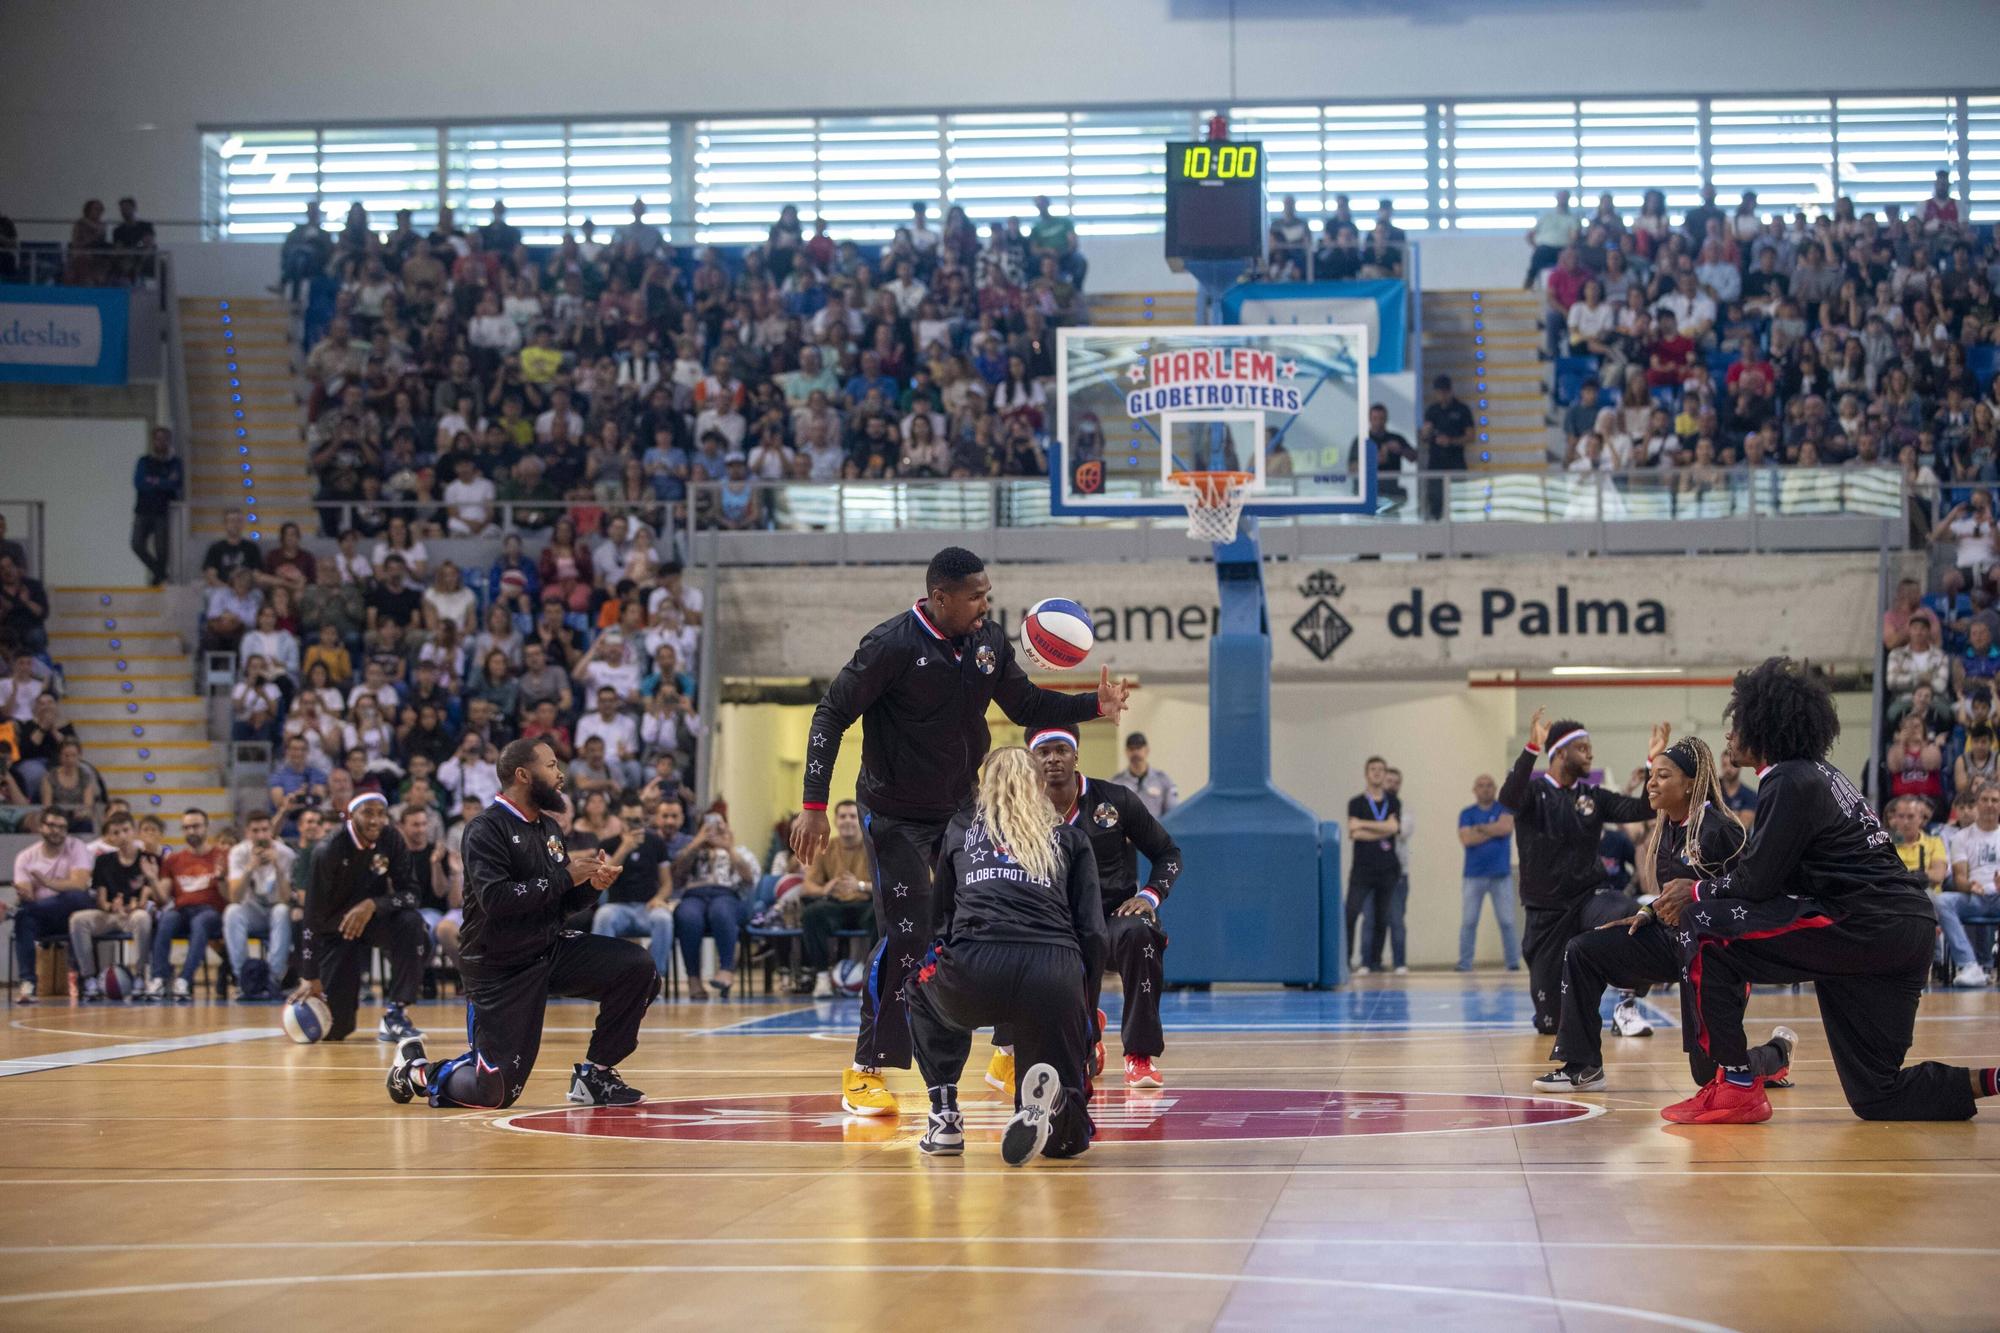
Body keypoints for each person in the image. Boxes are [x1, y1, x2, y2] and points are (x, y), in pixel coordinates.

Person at [788, 546, 1127, 1116]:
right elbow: (830, 714)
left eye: (987, 594)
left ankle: (1007, 1052)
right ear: (940, 597)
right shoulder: (890, 644)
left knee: (996, 916)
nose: (985, 604)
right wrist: (814, 804)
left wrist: (1093, 704)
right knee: (908, 932)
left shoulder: (988, 640)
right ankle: (866, 1068)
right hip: (894, 812)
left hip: (962, 807)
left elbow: (1024, 704)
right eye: (975, 596)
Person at [1650, 658, 2000, 1124]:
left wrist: (1695, 893)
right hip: (1904, 929)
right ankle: (1993, 1080)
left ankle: (1736, 1085)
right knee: (1879, 1095)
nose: (1729, 736)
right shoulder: (1820, 775)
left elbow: (1757, 882)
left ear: (1764, 726)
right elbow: (1774, 876)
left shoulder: (1789, 780)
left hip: (1861, 923)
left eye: (1737, 724)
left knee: (1707, 932)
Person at [385, 738, 652, 1110]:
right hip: (500, 966)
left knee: (637, 968)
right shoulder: (484, 829)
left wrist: (590, 887)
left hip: (548, 948)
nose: (561, 775)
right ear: (524, 775)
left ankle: (596, 1075)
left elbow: (557, 905)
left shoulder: (548, 829)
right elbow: (497, 900)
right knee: (493, 1092)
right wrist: (565, 877)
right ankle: (418, 1070)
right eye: (552, 766)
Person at [1535, 737, 1794, 1093]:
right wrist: (1645, 913)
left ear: (1689, 783)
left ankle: (1776, 1054)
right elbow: (1671, 896)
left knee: (1710, 1077)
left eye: (1662, 776)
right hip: (1669, 943)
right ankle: (1582, 1066)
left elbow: (1752, 894)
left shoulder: (1722, 831)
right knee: (1583, 951)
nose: (1651, 783)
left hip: (1716, 958)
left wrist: (1699, 901)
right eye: (1651, 775)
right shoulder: (1669, 829)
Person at [909, 748, 1104, 1164]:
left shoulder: (960, 829)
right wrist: (1084, 1007)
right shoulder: (1070, 838)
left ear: (984, 786)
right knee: (1067, 1145)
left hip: (977, 968)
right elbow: (1093, 932)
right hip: (1053, 972)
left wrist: (949, 965)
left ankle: (944, 1117)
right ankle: (1055, 1112)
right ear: (1039, 786)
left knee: (919, 987)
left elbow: (939, 920)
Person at [1008, 723, 1181, 1090]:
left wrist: (1149, 896)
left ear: (1076, 755)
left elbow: (1168, 853)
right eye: (1043, 752)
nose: (1053, 759)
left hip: (1113, 916)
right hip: (1056, 923)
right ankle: (1088, 1035)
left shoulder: (1115, 799)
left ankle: (1139, 1056)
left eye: (1061, 750)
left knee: (1141, 933)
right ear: (1031, 760)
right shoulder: (1021, 811)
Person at [1498, 710, 1663, 1035]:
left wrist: (1651, 764)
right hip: (1546, 915)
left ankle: (1626, 1006)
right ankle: (1562, 1006)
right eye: (1583, 747)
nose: (1591, 752)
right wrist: (1531, 748)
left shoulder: (1592, 796)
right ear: (1559, 752)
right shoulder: (1533, 793)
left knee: (1635, 916)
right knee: (1551, 1024)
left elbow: (1643, 808)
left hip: (1588, 901)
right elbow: (1508, 798)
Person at [291, 794, 429, 1041]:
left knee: (413, 923)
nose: (375, 820)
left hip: (375, 920)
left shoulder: (391, 838)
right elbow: (311, 916)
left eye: (380, 813)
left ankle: (396, 1013)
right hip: (337, 931)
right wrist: (310, 976)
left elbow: (413, 894)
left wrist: (373, 904)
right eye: (368, 813)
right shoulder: (328, 850)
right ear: (350, 815)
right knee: (336, 1029)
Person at [7, 807, 98, 1003]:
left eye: (62, 827)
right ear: (41, 827)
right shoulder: (25, 857)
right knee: (24, 916)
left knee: (75, 897)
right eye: (51, 825)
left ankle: (82, 977)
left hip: (74, 912)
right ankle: (28, 983)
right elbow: (28, 894)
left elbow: (80, 884)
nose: (56, 831)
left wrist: (48, 884)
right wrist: (27, 895)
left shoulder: (77, 847)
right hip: (44, 917)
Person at [670, 810, 758, 1000]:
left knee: (721, 911)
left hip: (727, 895)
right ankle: (694, 980)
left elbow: (749, 879)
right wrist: (696, 843)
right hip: (694, 894)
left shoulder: (739, 850)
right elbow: (675, 875)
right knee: (687, 916)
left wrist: (729, 848)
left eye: (719, 825)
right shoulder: (692, 849)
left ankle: (726, 970)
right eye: (708, 825)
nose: (714, 830)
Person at [69, 811, 158, 997]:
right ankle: (89, 978)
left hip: (134, 913)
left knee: (142, 918)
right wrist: (111, 906)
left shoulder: (147, 859)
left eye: (125, 830)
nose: (122, 836)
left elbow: (147, 896)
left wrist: (136, 905)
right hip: (111, 914)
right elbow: (101, 898)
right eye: (116, 832)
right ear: (109, 837)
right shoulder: (103, 861)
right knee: (78, 919)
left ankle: (141, 975)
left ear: (134, 831)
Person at [798, 800, 876, 997]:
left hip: (866, 904)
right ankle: (823, 977)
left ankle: (870, 978)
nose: (847, 821)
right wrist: (825, 889)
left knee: (882, 915)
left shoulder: (873, 846)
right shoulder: (826, 847)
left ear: (859, 819)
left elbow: (889, 885)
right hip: (837, 905)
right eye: (843, 816)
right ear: (835, 820)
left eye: (852, 816)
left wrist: (859, 885)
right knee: (812, 914)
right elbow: (807, 886)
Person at [589, 812, 676, 984]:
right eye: (629, 820)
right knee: (603, 916)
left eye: (638, 819)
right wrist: (625, 848)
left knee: (663, 918)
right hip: (618, 906)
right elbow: (603, 877)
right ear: (620, 820)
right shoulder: (609, 844)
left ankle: (654, 979)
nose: (634, 824)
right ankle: (603, 980)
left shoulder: (656, 843)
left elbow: (667, 884)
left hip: (647, 907)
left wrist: (659, 898)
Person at [224, 810, 296, 997]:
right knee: (232, 911)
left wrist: (278, 867)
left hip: (275, 911)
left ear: (271, 830)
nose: (261, 835)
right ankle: (243, 978)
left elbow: (286, 898)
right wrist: (250, 867)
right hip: (252, 911)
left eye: (265, 830)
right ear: (248, 833)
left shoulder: (286, 854)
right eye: (255, 831)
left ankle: (274, 977)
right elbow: (235, 897)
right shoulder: (238, 853)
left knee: (282, 910)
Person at [1456, 773, 1519, 972]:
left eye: (1489, 785)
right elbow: (1467, 839)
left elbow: (1506, 828)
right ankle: (1465, 963)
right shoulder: (1466, 813)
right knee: (1469, 921)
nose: (1485, 788)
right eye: (1481, 785)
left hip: (1501, 875)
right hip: (1473, 876)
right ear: (1475, 790)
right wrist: (1493, 829)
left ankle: (1512, 963)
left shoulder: (1504, 809)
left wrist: (1480, 829)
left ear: (1495, 788)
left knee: (1508, 921)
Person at [1940, 781, 2000, 987]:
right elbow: (1959, 877)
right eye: (1985, 800)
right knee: (1943, 901)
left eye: (1995, 800)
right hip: (1976, 897)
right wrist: (1969, 886)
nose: (1990, 804)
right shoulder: (1961, 837)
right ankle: (1969, 965)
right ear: (1978, 804)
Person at [1344, 756, 1401, 975]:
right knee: (1351, 914)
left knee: (1381, 917)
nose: (1377, 773)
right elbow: (1354, 832)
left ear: (1385, 774)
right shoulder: (1356, 802)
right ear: (1366, 773)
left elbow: (1394, 828)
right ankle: (1346, 960)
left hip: (1387, 869)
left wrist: (1364, 825)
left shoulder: (1394, 802)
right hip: (1362, 869)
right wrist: (1383, 827)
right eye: (1373, 769)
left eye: (1381, 769)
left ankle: (1374, 962)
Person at [131, 427, 182, 586]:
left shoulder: (175, 463)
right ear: (153, 441)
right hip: (144, 510)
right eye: (158, 439)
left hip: (162, 511)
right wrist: (162, 482)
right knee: (137, 544)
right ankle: (160, 574)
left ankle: (158, 580)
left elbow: (175, 484)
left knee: (162, 550)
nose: (161, 442)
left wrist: (153, 481)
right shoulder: (144, 461)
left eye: (164, 439)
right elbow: (139, 483)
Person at [1107, 731, 1177, 818]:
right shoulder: (1116, 783)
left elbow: (1173, 813)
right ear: (1126, 752)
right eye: (1131, 749)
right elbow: (1110, 816)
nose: (1135, 753)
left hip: (1155, 830)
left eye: (1139, 748)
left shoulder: (1163, 780)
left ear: (1147, 750)